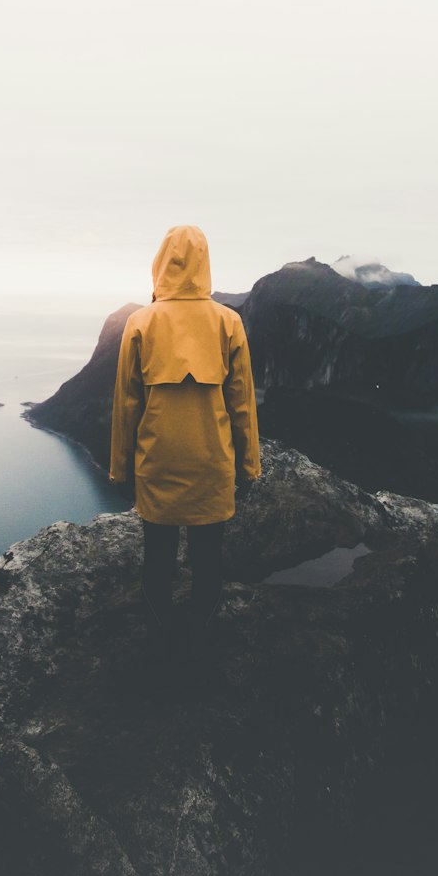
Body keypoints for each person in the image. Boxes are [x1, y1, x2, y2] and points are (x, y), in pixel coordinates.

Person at [109, 225, 261, 652]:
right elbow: (243, 404)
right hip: (212, 464)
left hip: (157, 463)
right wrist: (249, 466)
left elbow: (126, 405)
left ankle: (162, 641)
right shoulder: (228, 322)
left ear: (161, 263)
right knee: (208, 560)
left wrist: (120, 468)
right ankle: (199, 640)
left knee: (158, 560)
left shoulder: (140, 323)